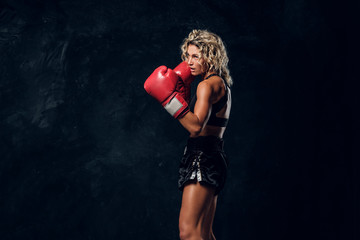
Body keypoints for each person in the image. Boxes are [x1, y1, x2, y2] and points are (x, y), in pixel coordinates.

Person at [144, 29, 232, 240]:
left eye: (195, 56)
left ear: (210, 56)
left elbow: (195, 127)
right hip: (213, 156)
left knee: (188, 232)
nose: (189, 62)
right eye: (187, 56)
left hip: (202, 158)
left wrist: (169, 100)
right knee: (204, 233)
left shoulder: (206, 86)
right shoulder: (221, 84)